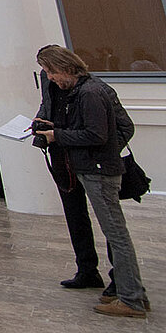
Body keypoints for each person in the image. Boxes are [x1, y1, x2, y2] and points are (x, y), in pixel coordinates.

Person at [34, 45, 150, 318]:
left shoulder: (91, 93)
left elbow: (99, 135)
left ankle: (131, 297)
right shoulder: (73, 90)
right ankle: (124, 290)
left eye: (50, 71)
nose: (48, 77)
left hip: (97, 169)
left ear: (63, 67)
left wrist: (60, 137)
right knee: (105, 229)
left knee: (116, 236)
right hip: (78, 165)